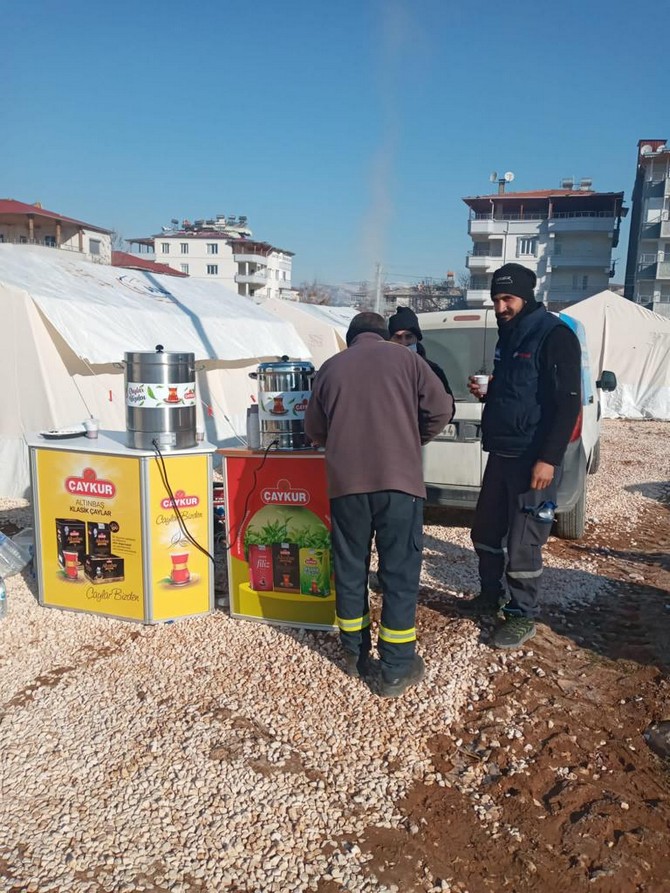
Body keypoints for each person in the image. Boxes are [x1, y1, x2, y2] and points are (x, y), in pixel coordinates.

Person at [304, 312, 454, 697]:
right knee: (400, 574)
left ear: (350, 339)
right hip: (399, 485)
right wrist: (409, 438)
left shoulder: (330, 368)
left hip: (346, 487)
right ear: (384, 336)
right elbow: (441, 410)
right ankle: (395, 668)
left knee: (351, 569)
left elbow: (314, 431)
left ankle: (355, 655)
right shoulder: (409, 360)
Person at [467, 263, 582, 649]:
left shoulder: (555, 335)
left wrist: (548, 458)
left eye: (508, 298)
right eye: (497, 299)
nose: (501, 306)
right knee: (484, 530)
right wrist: (491, 391)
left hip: (534, 459)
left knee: (523, 541)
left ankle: (522, 614)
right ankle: (489, 595)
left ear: (526, 297)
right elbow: (522, 389)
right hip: (502, 453)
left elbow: (567, 403)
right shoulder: (509, 336)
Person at [388, 306, 454, 397]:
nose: (403, 342)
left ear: (417, 339)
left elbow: (447, 406)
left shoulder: (432, 370)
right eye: (398, 337)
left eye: (409, 337)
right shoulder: (382, 369)